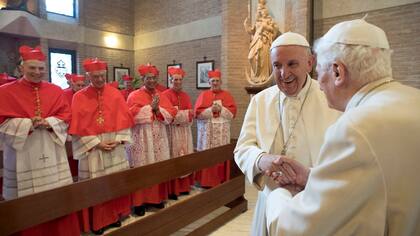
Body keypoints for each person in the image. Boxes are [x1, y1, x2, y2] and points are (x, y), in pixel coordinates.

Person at [265, 18, 420, 236]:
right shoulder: (414, 99)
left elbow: (300, 230)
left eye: (319, 72)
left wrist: (278, 196)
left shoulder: (355, 128)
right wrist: (312, 177)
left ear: (338, 72)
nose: (318, 83)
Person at [233, 32, 340, 236]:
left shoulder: (331, 99)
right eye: (277, 65)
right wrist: (261, 159)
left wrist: (309, 176)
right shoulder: (260, 101)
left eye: (292, 64)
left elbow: (342, 155)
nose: (284, 74)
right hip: (270, 200)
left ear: (310, 63)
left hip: (316, 200)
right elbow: (242, 148)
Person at [0, 45, 80, 235]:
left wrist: (49, 122)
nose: (37, 72)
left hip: (51, 147)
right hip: (23, 149)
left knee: (57, 197)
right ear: (22, 68)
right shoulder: (5, 92)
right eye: (32, 68)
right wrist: (28, 124)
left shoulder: (55, 90)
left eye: (41, 68)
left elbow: (66, 115)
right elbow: (2, 122)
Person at [69, 58, 134, 235]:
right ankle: (98, 221)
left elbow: (126, 120)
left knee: (115, 182)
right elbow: (77, 129)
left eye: (102, 76)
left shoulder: (115, 94)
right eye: (95, 76)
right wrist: (97, 143)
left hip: (114, 145)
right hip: (93, 149)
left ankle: (115, 216)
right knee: (96, 187)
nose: (99, 80)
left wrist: (119, 140)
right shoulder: (79, 97)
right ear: (89, 75)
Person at [126, 64, 177, 215]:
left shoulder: (163, 95)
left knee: (157, 167)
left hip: (159, 136)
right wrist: (150, 109)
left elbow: (171, 114)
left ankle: (156, 199)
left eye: (154, 78)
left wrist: (157, 109)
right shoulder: (134, 95)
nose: (151, 81)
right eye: (148, 78)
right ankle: (139, 203)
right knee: (142, 169)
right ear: (142, 79)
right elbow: (130, 115)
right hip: (141, 138)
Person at [194, 69, 237, 188]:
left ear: (221, 82)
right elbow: (197, 113)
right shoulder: (204, 95)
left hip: (221, 133)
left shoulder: (227, 95)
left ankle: (221, 179)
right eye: (213, 81)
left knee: (220, 156)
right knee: (207, 156)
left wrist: (221, 110)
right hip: (208, 132)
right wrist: (211, 110)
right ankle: (206, 181)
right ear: (209, 82)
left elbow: (232, 113)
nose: (215, 83)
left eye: (217, 81)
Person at [162, 67, 194, 199]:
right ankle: (173, 190)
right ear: (170, 80)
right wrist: (183, 115)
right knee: (173, 158)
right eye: (175, 79)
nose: (177, 82)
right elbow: (169, 117)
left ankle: (184, 187)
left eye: (180, 80)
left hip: (185, 132)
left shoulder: (186, 95)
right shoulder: (164, 95)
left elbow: (191, 114)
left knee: (185, 157)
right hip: (171, 132)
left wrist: (181, 114)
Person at [244, 0, 280, 85]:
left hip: (264, 42)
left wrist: (266, 27)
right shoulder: (257, 22)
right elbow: (251, 31)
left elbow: (275, 31)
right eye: (259, 11)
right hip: (256, 41)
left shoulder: (269, 22)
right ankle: (256, 76)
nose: (259, 12)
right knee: (251, 57)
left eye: (261, 10)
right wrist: (246, 25)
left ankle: (263, 76)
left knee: (262, 59)